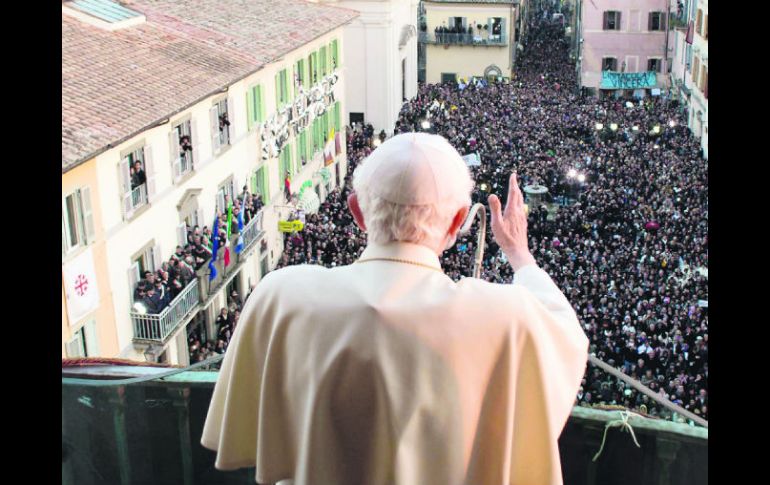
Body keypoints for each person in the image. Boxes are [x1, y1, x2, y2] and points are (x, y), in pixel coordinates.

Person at [202, 133, 588, 484]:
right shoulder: (505, 317)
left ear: (357, 212)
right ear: (456, 222)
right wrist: (519, 254)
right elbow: (567, 334)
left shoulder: (280, 296)